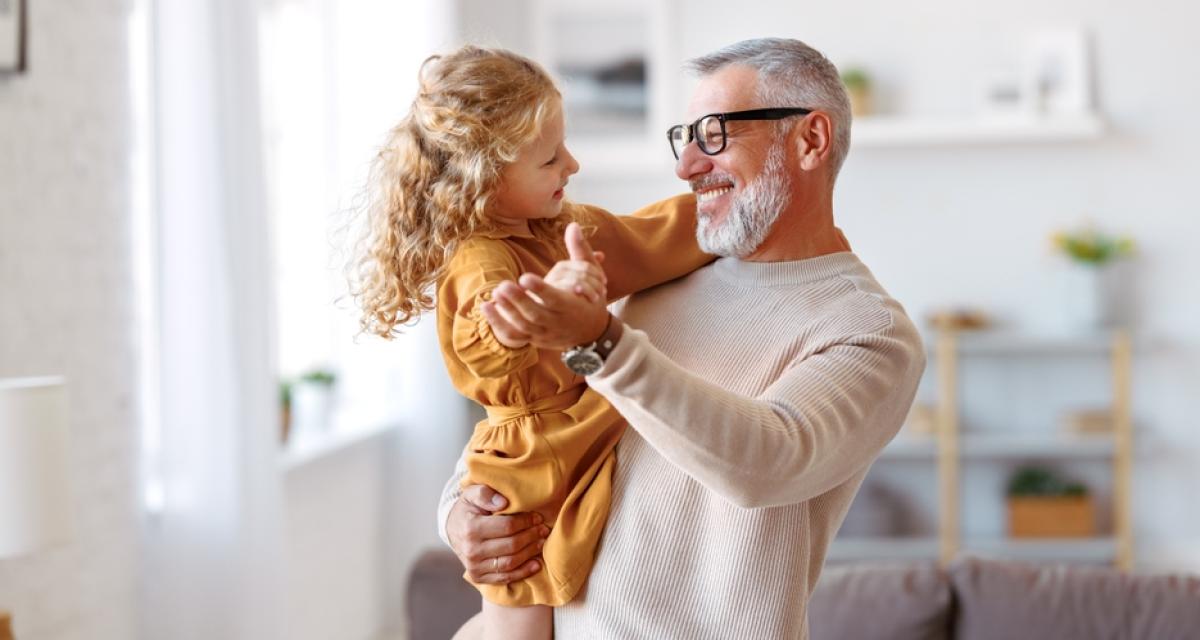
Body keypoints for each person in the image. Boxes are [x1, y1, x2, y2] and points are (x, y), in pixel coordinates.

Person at [438, 38, 927, 638]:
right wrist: (463, 514)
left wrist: (602, 342)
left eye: (716, 134)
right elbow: (532, 421)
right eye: (685, 136)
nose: (687, 165)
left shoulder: (867, 329)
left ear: (810, 140)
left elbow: (766, 462)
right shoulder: (654, 278)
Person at [348, 46, 711, 639]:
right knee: (518, 617)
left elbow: (648, 239)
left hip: (580, 427)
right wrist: (549, 306)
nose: (572, 164)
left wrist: (732, 211)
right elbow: (495, 332)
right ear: (485, 175)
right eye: (550, 159)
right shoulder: (479, 259)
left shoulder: (562, 227)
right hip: (527, 463)